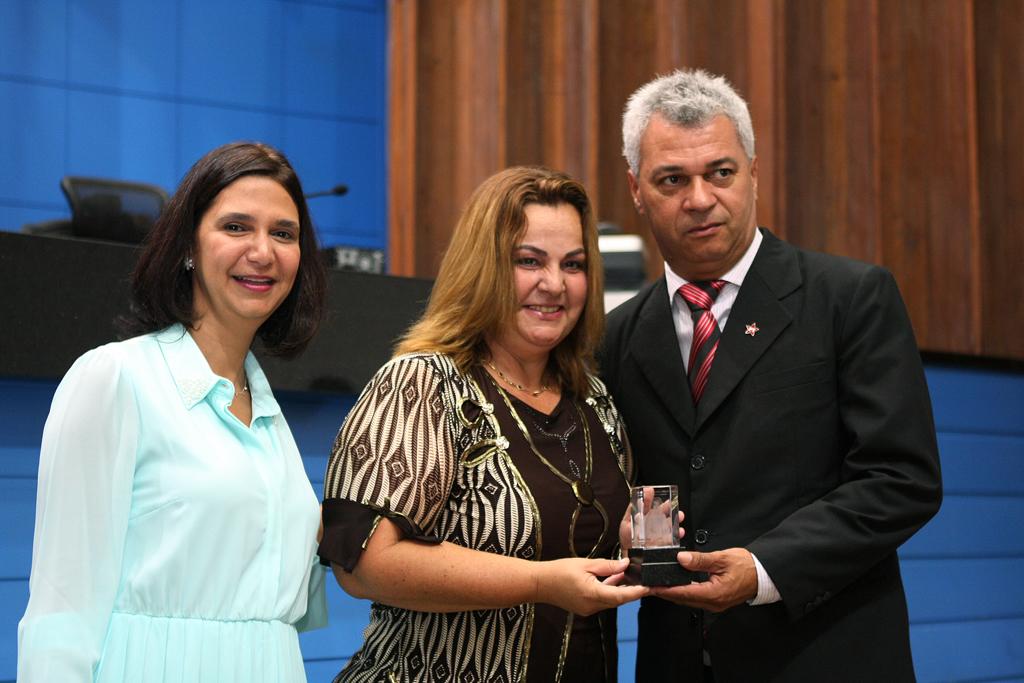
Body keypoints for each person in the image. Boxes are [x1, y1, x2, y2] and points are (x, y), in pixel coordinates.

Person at [599, 69, 943, 681]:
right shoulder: (615, 337)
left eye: (720, 172)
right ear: (636, 189)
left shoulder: (850, 298)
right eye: (672, 179)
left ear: (754, 171)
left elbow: (901, 479)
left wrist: (763, 570)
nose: (699, 198)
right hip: (677, 662)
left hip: (826, 657)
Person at [319, 166, 647, 682]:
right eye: (528, 261)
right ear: (483, 266)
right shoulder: (423, 383)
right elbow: (362, 565)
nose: (554, 284)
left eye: (573, 264)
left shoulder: (594, 398)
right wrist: (539, 582)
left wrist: (628, 541)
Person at [18, 141, 329, 682]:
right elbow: (61, 612)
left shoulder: (268, 412)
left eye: (284, 233)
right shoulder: (115, 378)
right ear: (187, 245)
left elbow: (288, 605)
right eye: (236, 227)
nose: (263, 251)